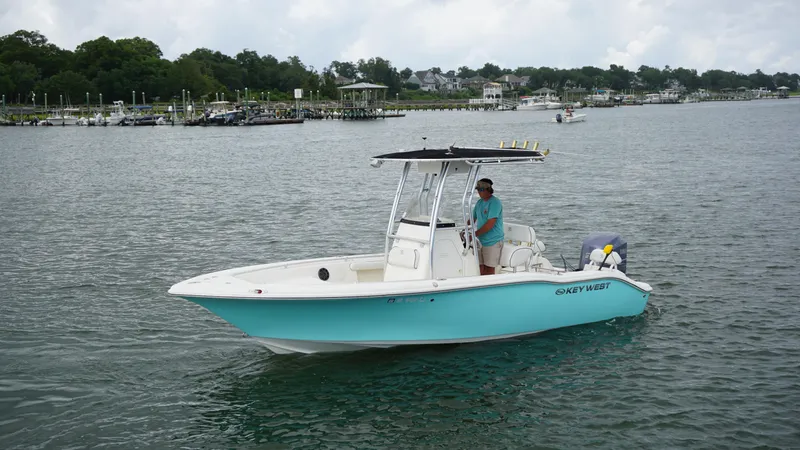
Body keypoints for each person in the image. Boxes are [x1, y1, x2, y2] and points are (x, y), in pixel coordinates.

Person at [472, 178, 504, 275]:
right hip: (480, 241)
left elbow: (490, 224)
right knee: (480, 267)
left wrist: (474, 234)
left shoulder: (495, 203)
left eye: (481, 190)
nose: (479, 192)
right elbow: (472, 219)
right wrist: (463, 231)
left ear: (488, 190)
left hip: (493, 241)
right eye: (478, 190)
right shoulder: (479, 203)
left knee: (489, 269)